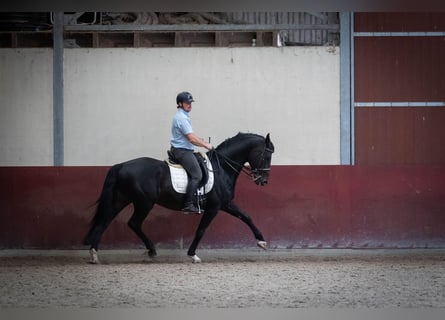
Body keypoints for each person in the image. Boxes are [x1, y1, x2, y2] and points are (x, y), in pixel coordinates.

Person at [170, 91, 213, 214]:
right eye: (187, 103)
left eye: (190, 102)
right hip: (182, 152)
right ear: (179, 103)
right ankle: (188, 204)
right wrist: (206, 145)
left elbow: (192, 136)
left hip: (184, 149)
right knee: (197, 175)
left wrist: (201, 140)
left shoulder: (184, 116)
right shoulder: (181, 118)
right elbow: (191, 138)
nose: (190, 105)